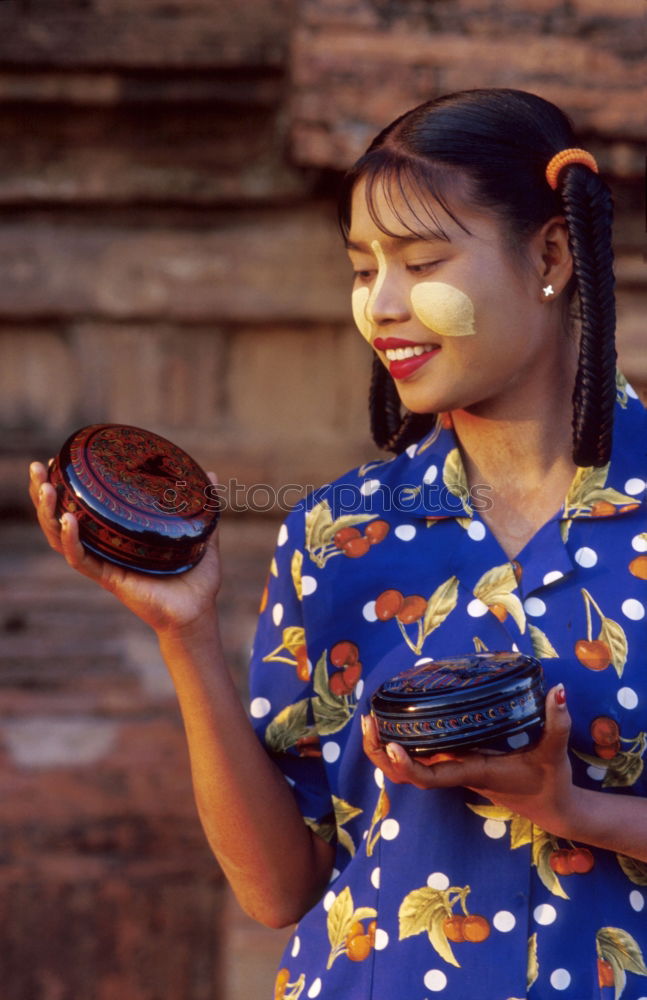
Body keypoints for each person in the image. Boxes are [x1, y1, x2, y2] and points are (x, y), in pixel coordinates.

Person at [29, 88, 647, 999]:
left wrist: (575, 811)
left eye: (421, 260)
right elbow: (278, 888)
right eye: (362, 270)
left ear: (550, 252)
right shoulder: (336, 535)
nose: (382, 306)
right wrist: (185, 635)